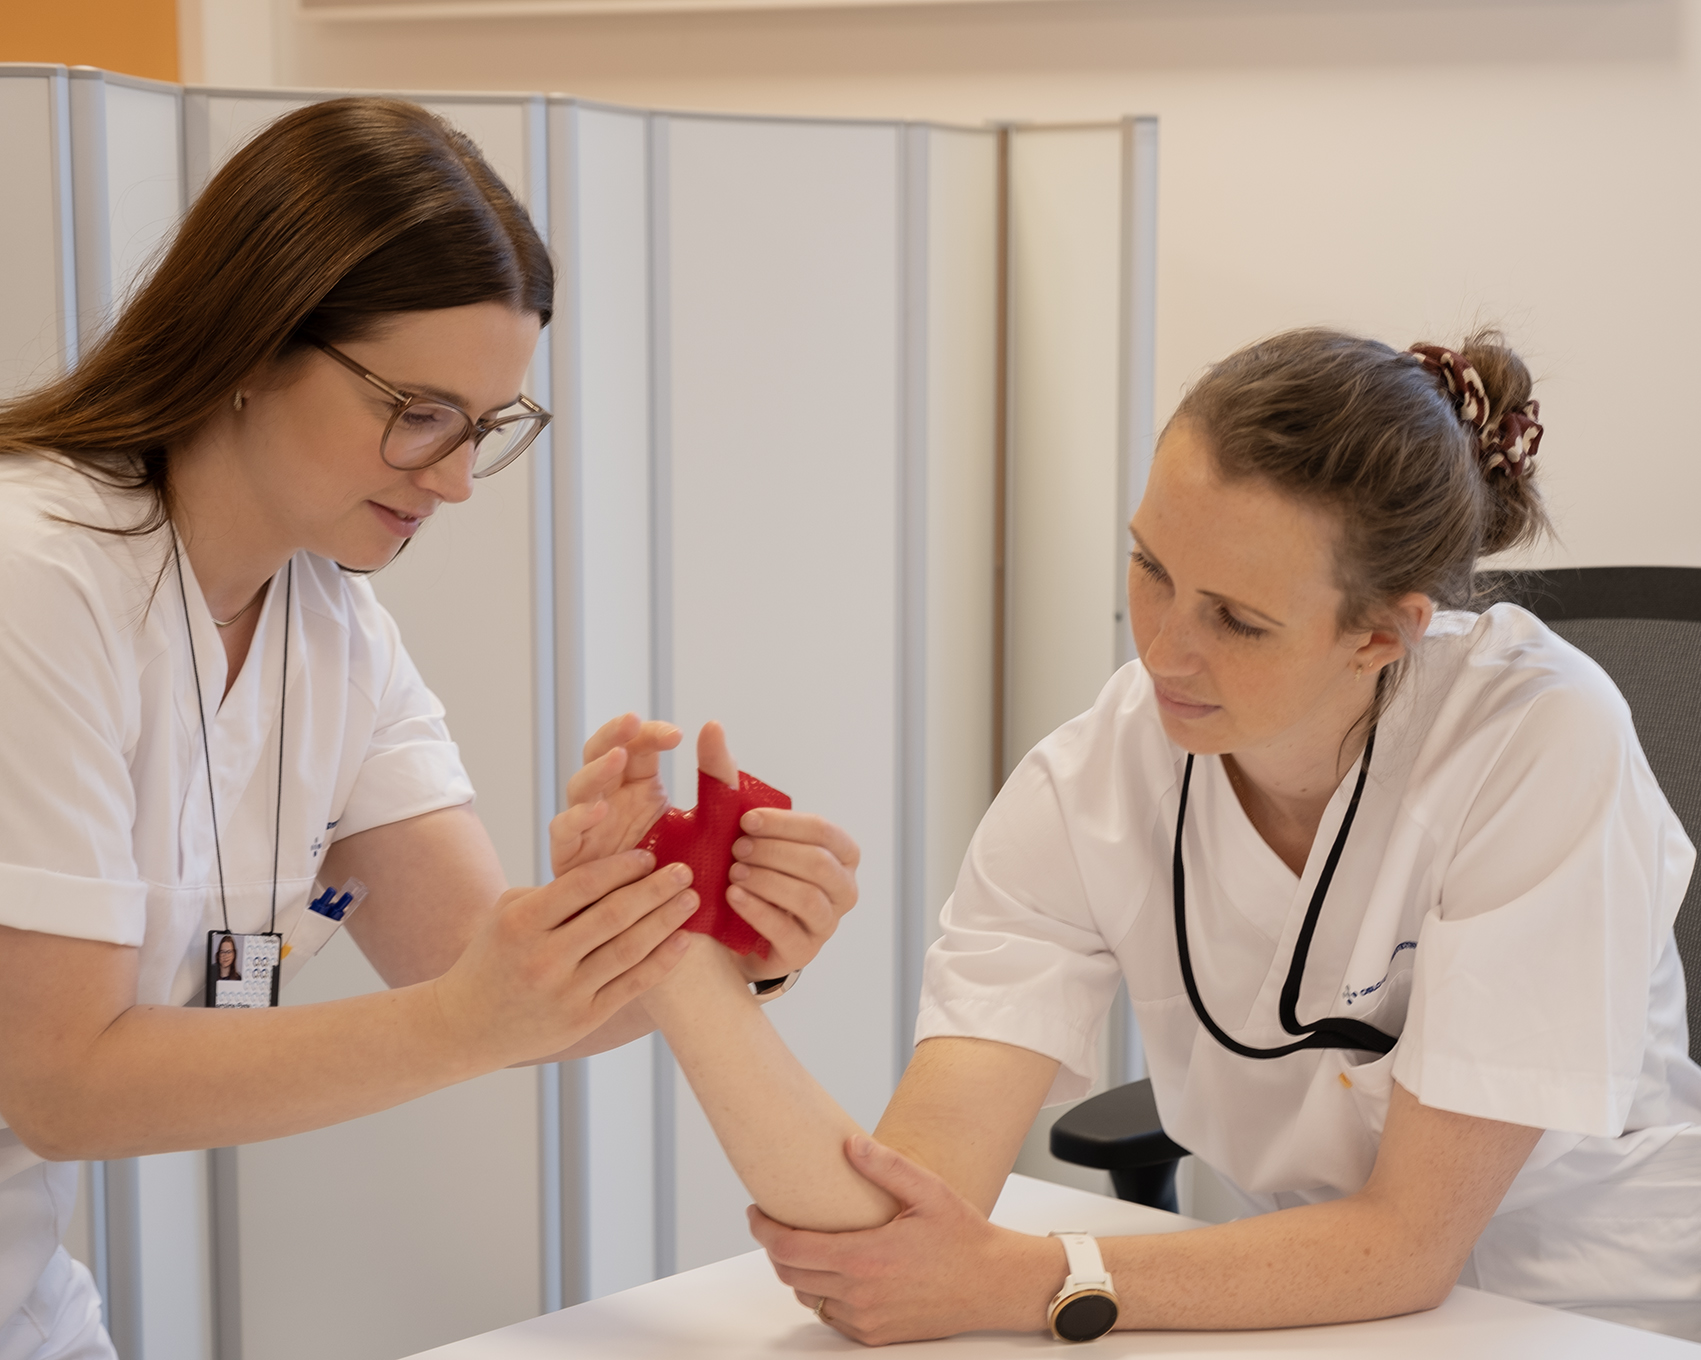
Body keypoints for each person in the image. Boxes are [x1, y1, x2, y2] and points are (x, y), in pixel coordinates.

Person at [0, 97, 861, 1360]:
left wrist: (699, 925)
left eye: (486, 427)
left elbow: (490, 981)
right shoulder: (36, 574)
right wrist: (472, 1012)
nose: (455, 479)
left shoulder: (331, 629)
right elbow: (63, 1083)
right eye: (419, 410)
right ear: (254, 338)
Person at [639, 328, 1701, 1344]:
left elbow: (1408, 1244)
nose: (1163, 652)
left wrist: (1017, 1277)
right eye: (1150, 568)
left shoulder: (1537, 739)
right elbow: (893, 1234)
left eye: (1237, 619)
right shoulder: (1093, 782)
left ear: (1382, 633)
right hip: (1299, 1312)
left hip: (1598, 1312)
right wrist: (679, 957)